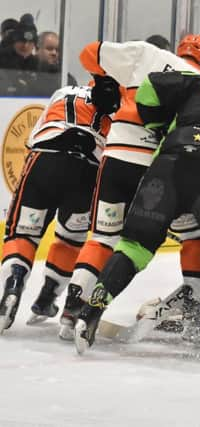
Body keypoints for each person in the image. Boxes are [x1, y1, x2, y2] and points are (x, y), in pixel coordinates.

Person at [73, 57, 200, 354]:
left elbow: (150, 86)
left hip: (167, 166)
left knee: (134, 246)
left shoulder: (197, 83)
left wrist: (157, 123)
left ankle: (94, 305)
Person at [50, 35, 200, 340]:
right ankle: (196, 311)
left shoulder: (145, 53)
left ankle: (72, 311)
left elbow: (88, 52)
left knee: (102, 237)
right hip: (160, 166)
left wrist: (107, 81)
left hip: (118, 156)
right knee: (194, 235)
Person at [0, 79, 120, 332]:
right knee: (70, 240)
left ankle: (13, 284)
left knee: (23, 233)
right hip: (87, 169)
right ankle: (47, 298)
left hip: (45, 159)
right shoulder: (117, 105)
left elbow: (36, 133)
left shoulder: (63, 91)